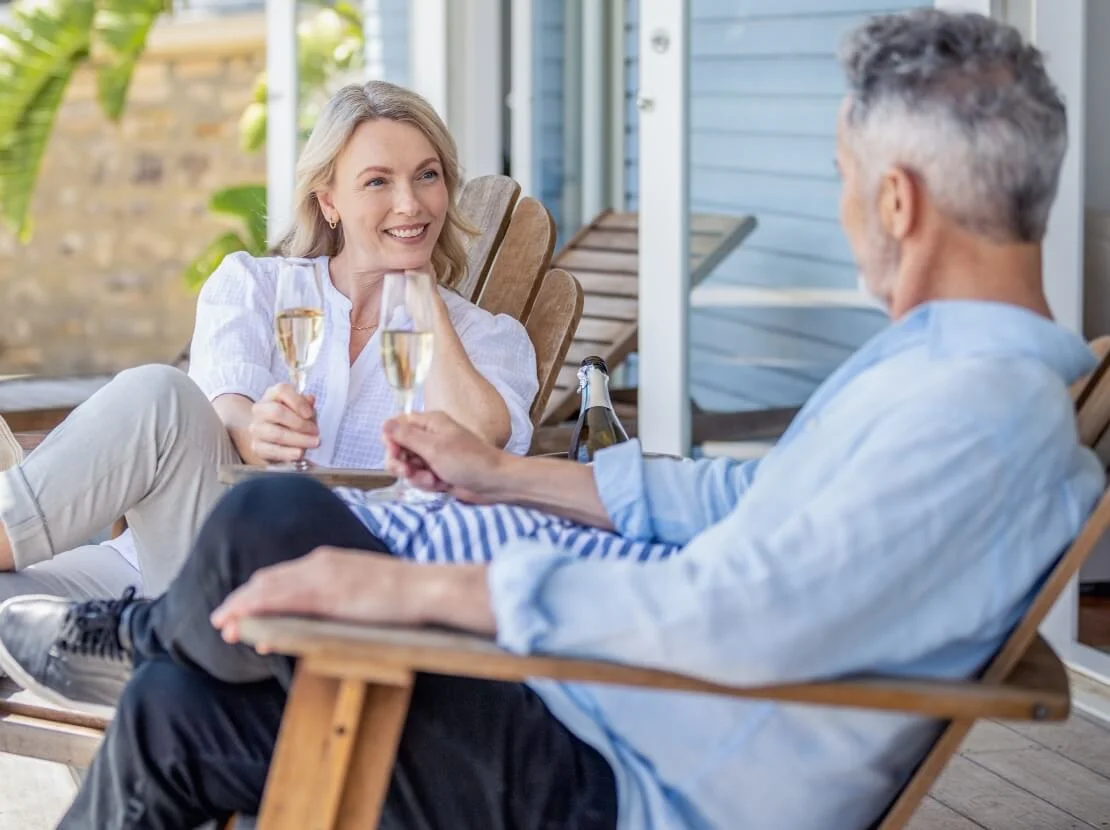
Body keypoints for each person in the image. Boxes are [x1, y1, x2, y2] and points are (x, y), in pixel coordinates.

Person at [0, 8, 1103, 829]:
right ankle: (156, 631)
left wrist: (414, 586)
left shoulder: (972, 411)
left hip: (635, 758)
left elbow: (743, 612)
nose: (850, 206)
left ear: (899, 200)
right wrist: (512, 478)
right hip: (620, 710)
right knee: (181, 699)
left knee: (260, 547)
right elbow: (743, 501)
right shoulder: (952, 377)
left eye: (847, 178)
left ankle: (150, 625)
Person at [0, 80, 538, 602]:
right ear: (329, 202)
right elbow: (218, 412)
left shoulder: (486, 338)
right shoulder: (257, 286)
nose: (410, 204)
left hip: (295, 586)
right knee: (158, 397)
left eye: (427, 176)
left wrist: (422, 296)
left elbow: (480, 441)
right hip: (155, 560)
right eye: (378, 182)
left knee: (158, 395)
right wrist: (260, 433)